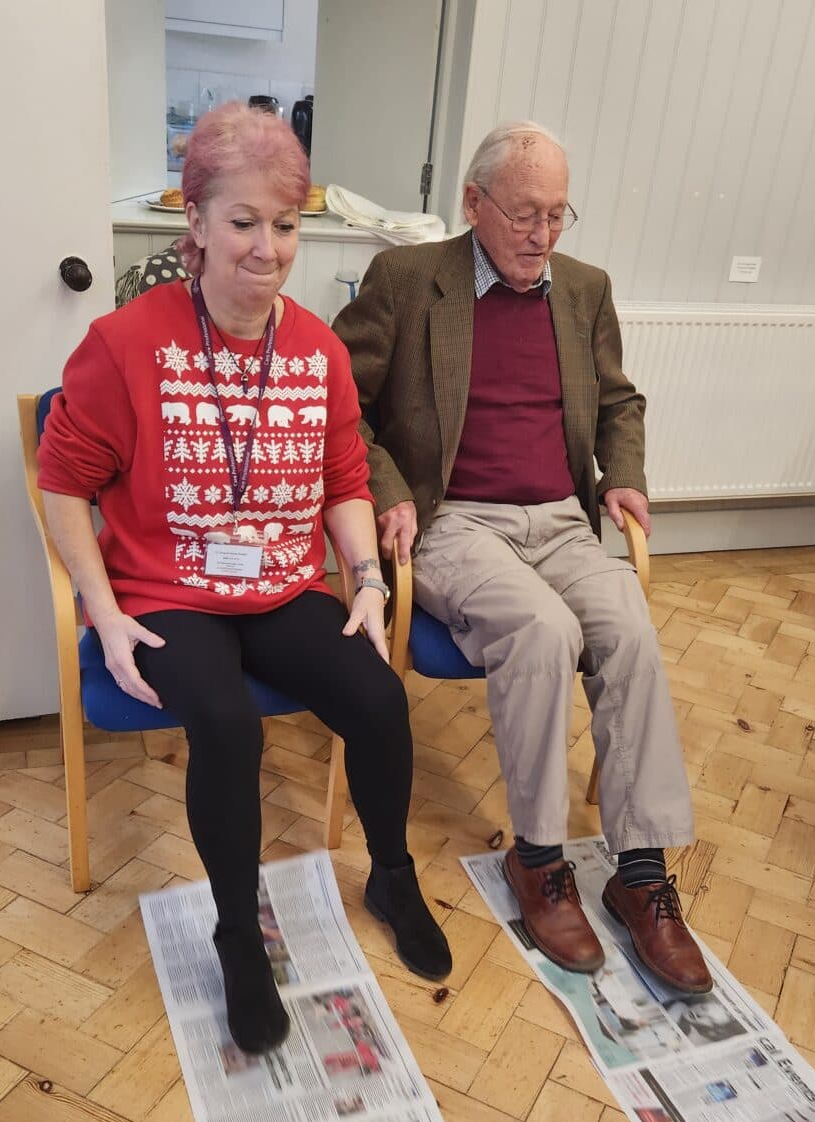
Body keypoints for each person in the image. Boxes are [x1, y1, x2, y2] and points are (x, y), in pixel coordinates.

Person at [38, 102, 451, 1056]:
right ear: (195, 223)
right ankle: (237, 930)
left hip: (281, 583)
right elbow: (63, 485)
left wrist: (368, 579)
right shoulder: (124, 343)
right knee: (223, 722)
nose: (268, 249)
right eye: (244, 223)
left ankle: (391, 873)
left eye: (287, 224)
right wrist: (100, 613)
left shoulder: (316, 349)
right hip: (166, 590)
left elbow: (344, 479)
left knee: (380, 701)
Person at [333, 121, 710, 994]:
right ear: (473, 204)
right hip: (457, 519)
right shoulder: (406, 280)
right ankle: (538, 861)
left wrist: (625, 475)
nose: (542, 236)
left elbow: (621, 399)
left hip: (563, 521)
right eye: (523, 215)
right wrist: (386, 486)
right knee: (542, 632)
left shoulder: (584, 290)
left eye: (557, 215)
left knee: (629, 627)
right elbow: (339, 401)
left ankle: (640, 875)